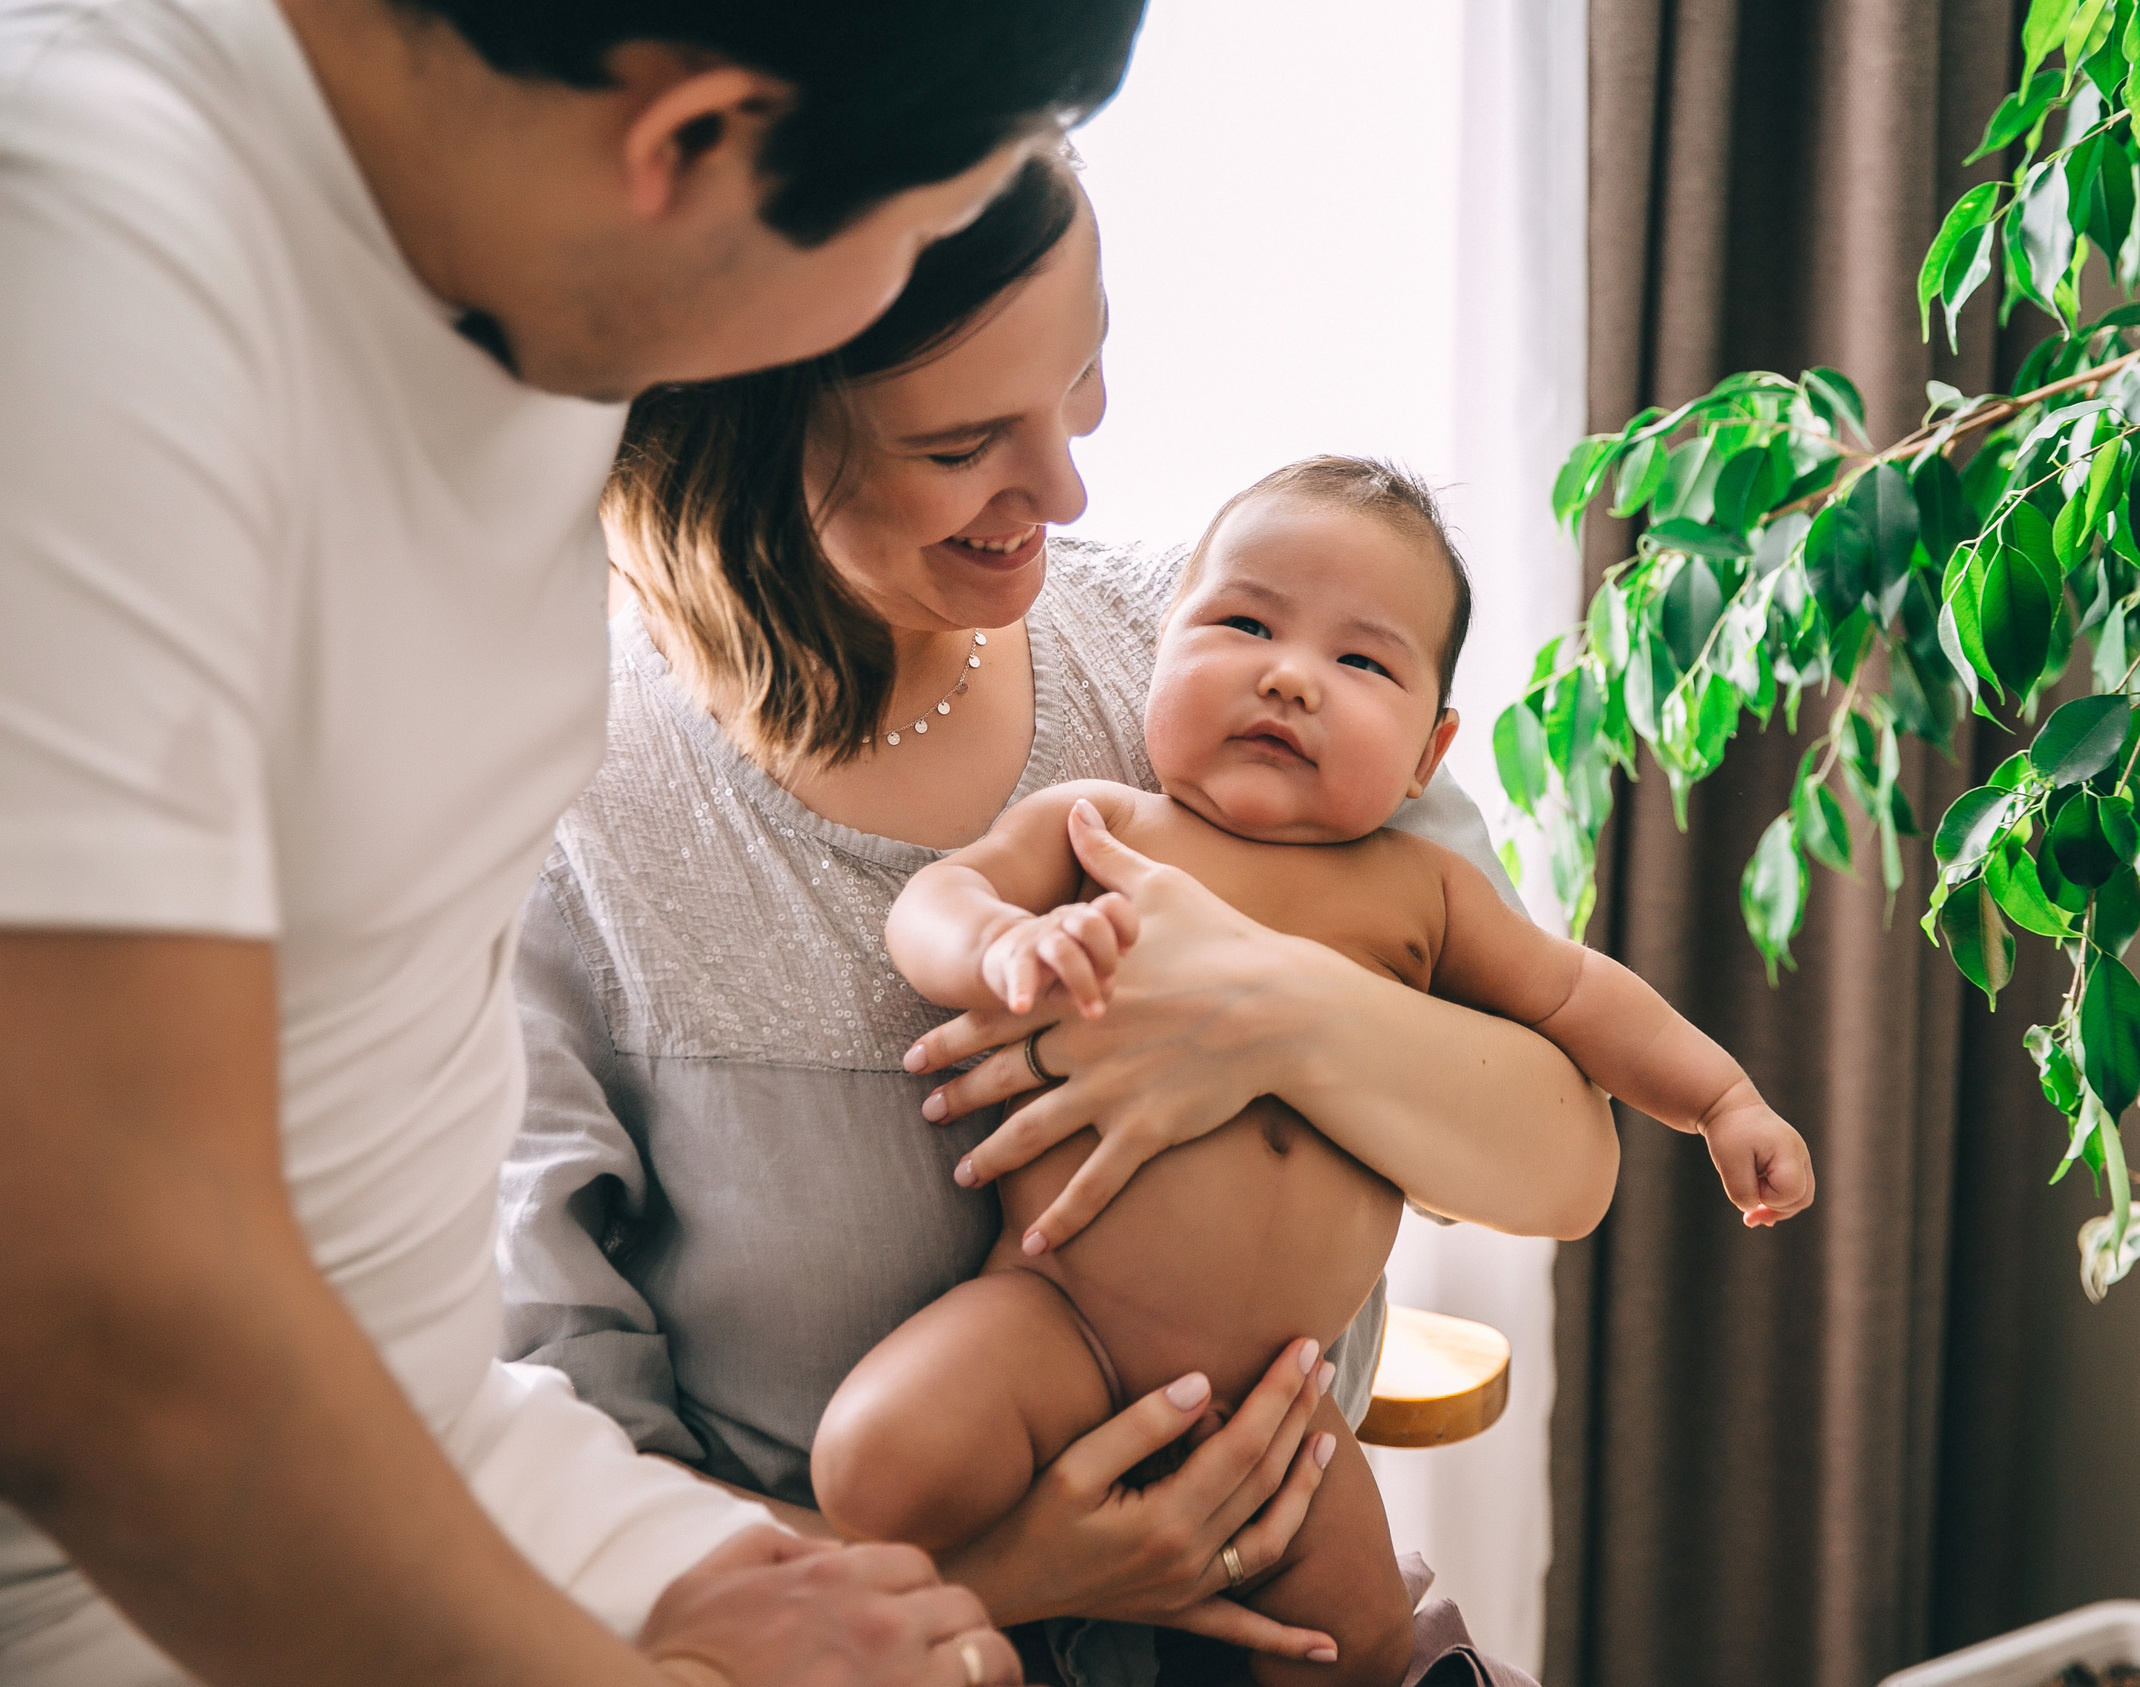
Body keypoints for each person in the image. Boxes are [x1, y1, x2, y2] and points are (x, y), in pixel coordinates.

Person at [0, 0, 1148, 1682]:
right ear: (683, 146)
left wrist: (637, 1560)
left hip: (450, 1447)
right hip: (126, 1569)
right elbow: (105, 1345)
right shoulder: (84, 259)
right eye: (910, 230)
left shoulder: (539, 272)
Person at [499, 165, 1622, 1683]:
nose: (1069, 492)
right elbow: (556, 1450)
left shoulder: (1231, 661)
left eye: (1081, 378)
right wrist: (1014, 1574)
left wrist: (1270, 1008)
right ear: (736, 438)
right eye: (966, 443)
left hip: (1299, 1611)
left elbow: (1565, 1152)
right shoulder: (561, 823)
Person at [820, 455, 1818, 1686]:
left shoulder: (1426, 892)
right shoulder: (1105, 827)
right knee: (875, 1460)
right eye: (1241, 625)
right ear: (1160, 652)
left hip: (1281, 1407)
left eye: (1361, 662)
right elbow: (939, 896)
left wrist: (1722, 1099)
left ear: (1424, 754)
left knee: (1355, 1643)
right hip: (1060, 1316)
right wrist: (1004, 943)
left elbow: (1577, 998)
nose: (1288, 673)